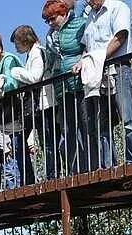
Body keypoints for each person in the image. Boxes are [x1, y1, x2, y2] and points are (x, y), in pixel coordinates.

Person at [77, 0, 132, 168]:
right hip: (98, 73)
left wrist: (99, 58)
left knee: (128, 118)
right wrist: (83, 61)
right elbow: (87, 47)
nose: (89, 2)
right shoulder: (90, 15)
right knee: (102, 122)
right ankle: (108, 165)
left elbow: (120, 37)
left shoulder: (118, 7)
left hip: (119, 68)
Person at [44, 0, 92, 175]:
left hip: (80, 83)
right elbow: (50, 61)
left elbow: (88, 47)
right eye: (47, 20)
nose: (50, 23)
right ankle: (75, 170)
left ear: (63, 14)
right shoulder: (50, 36)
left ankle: (91, 167)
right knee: (68, 129)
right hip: (61, 87)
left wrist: (82, 61)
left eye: (52, 18)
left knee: (86, 125)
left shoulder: (79, 24)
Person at [0, 32, 32, 188]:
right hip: (2, 113)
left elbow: (11, 83)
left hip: (17, 110)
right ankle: (15, 184)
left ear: (0, 49)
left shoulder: (8, 59)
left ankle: (27, 183)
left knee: (19, 148)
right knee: (9, 150)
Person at [10, 25, 59, 182]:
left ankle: (52, 175)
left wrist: (15, 72)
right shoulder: (32, 53)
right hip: (38, 104)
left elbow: (35, 77)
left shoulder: (37, 52)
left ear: (25, 41)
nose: (16, 47)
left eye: (17, 43)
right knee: (43, 140)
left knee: (49, 141)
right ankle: (37, 176)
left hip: (44, 103)